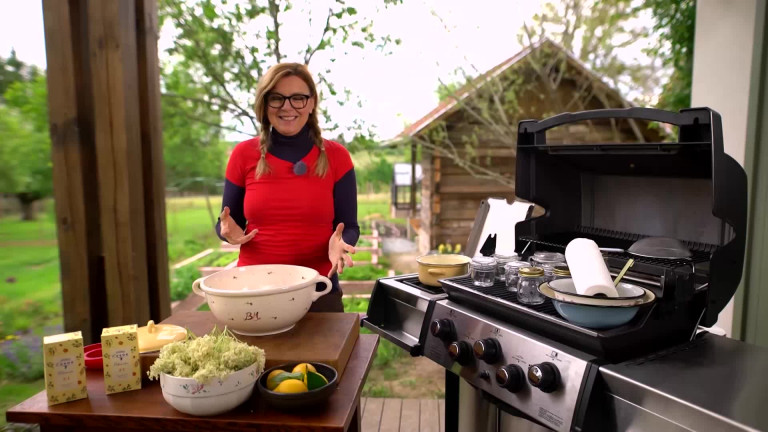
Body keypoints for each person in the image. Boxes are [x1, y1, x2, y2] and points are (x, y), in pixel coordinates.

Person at [215, 62, 359, 313]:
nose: (287, 107)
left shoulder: (338, 157)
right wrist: (226, 231)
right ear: (265, 103)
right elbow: (227, 222)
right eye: (277, 98)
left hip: (318, 291)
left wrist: (341, 243)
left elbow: (350, 227)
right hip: (253, 294)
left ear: (311, 103)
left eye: (298, 98)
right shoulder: (243, 155)